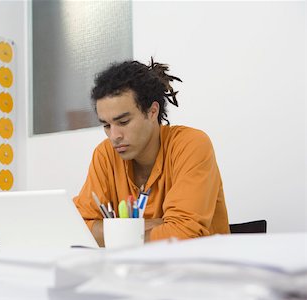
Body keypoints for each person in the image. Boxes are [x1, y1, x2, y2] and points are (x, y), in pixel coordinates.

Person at [73, 58, 230, 247]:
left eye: (123, 122)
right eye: (106, 125)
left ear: (152, 111)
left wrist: (116, 233)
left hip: (197, 272)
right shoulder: (105, 154)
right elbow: (77, 229)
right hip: (133, 273)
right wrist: (153, 226)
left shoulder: (191, 145)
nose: (114, 136)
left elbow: (185, 234)